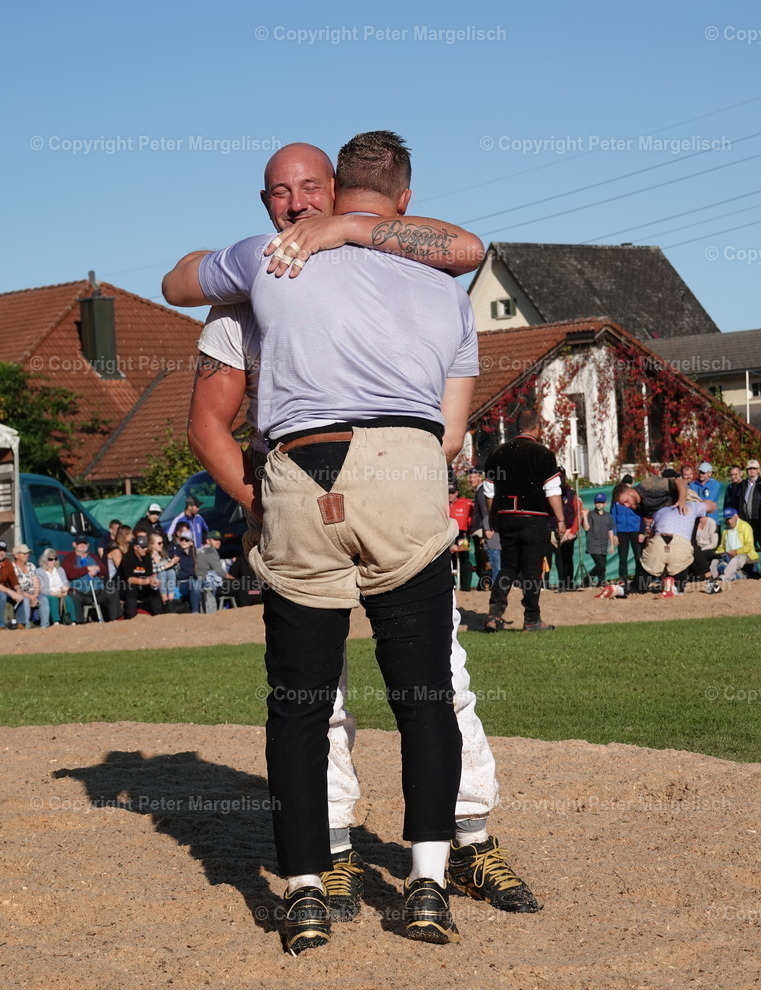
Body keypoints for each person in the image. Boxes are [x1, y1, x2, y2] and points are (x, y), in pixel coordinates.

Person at [177, 142, 538, 944]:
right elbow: (209, 420)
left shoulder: (268, 263)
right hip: (386, 476)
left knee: (322, 693)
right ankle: (402, 866)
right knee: (410, 687)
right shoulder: (423, 282)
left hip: (311, 472)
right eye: (281, 192)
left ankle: (335, 873)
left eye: (311, 190)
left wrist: (343, 235)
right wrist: (256, 495)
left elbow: (176, 277)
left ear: (338, 192)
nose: (296, 205)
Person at [483, 409, 566, 633]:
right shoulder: (543, 453)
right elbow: (552, 490)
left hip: (507, 517)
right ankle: (532, 619)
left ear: (518, 427)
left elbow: (489, 490)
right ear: (537, 427)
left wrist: (493, 516)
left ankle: (494, 613)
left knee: (508, 568)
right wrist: (560, 520)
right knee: (532, 571)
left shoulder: (499, 453)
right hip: (534, 518)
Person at [637, 499, 716, 594]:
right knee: (687, 548)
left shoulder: (663, 507)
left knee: (686, 547)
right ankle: (709, 580)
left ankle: (669, 581)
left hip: (680, 514)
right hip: (682, 515)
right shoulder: (690, 504)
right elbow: (712, 506)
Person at [61, 535, 121, 623]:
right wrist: (87, 569)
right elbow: (70, 573)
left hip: (98, 590)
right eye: (79, 543)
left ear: (88, 545)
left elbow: (104, 570)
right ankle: (79, 622)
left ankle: (115, 620)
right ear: (74, 544)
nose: (82, 545)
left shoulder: (94, 557)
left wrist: (97, 570)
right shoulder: (69, 558)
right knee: (73, 596)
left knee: (112, 591)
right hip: (80, 591)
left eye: (84, 543)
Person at [548, 467, 583, 591]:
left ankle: (568, 583)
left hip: (568, 532)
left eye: (561, 476)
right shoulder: (549, 493)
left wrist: (572, 531)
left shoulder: (572, 494)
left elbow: (578, 513)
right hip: (552, 530)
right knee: (556, 559)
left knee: (568, 558)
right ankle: (559, 584)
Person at [195, 530, 243, 611]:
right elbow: (220, 572)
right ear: (208, 540)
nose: (218, 542)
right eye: (215, 539)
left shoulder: (200, 551)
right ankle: (240, 611)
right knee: (241, 584)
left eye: (219, 540)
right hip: (208, 585)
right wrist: (234, 579)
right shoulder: (211, 551)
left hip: (199, 583)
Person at [467, 466, 499, 589]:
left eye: (473, 477)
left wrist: (487, 530)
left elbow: (486, 511)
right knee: (484, 559)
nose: (470, 480)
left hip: (483, 530)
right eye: (469, 477)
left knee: (486, 559)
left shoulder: (482, 491)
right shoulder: (480, 491)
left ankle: (487, 585)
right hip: (482, 529)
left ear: (480, 477)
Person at [117, 536, 163, 618]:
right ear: (135, 547)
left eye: (146, 547)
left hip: (141, 586)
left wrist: (153, 581)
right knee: (132, 588)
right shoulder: (128, 558)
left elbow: (149, 574)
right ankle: (132, 617)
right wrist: (147, 581)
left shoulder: (147, 557)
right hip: (123, 587)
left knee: (154, 589)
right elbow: (130, 579)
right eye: (143, 547)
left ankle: (159, 615)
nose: (145, 549)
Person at [710, 507, 759, 583]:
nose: (729, 521)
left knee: (735, 560)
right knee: (714, 560)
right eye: (726, 519)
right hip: (728, 554)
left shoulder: (745, 526)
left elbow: (749, 545)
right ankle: (711, 577)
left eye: (730, 518)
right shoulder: (725, 529)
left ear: (736, 516)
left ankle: (724, 578)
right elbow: (722, 546)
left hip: (744, 554)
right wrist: (718, 553)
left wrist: (736, 551)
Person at [610, 475, 643, 585]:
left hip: (635, 529)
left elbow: (642, 514)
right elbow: (613, 516)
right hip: (621, 531)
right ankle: (623, 579)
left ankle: (639, 579)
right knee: (622, 557)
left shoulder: (636, 497)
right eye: (626, 483)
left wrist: (642, 532)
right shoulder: (617, 499)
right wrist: (614, 533)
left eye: (629, 483)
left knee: (638, 556)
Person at [582, 493, 616, 588]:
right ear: (594, 503)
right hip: (593, 544)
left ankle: (601, 583)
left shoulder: (608, 516)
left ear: (605, 503)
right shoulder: (590, 514)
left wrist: (612, 544)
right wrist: (584, 516)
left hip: (603, 544)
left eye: (601, 502)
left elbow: (610, 530)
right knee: (600, 564)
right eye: (597, 502)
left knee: (603, 566)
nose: (599, 504)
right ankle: (587, 578)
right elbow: (586, 528)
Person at [35, 550, 77, 626]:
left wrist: (65, 589)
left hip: (60, 591)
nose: (53, 561)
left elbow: (65, 582)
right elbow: (41, 588)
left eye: (55, 559)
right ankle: (56, 621)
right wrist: (53, 593)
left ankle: (72, 620)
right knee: (53, 600)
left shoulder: (60, 570)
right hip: (48, 593)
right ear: (45, 560)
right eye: (50, 559)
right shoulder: (39, 571)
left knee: (68, 598)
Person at [167, 525, 202, 612]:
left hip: (194, 581)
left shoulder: (194, 554)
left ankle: (211, 612)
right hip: (181, 583)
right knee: (195, 584)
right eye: (181, 539)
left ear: (191, 542)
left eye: (186, 540)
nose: (183, 542)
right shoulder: (175, 552)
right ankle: (195, 612)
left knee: (210, 583)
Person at [448, 483, 474, 592]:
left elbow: (473, 516)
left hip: (462, 534)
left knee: (464, 558)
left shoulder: (466, 503)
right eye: (448, 493)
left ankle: (465, 588)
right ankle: (450, 586)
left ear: (457, 493)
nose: (450, 495)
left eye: (452, 493)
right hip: (448, 535)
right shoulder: (441, 504)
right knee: (447, 560)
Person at [739, 459, 761, 548]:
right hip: (746, 521)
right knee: (748, 547)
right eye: (749, 469)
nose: (752, 471)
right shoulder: (743, 484)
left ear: (758, 470)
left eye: (754, 468)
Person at [148, 532, 180, 609]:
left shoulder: (163, 555)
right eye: (159, 543)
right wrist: (168, 565)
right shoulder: (148, 557)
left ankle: (171, 599)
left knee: (171, 571)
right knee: (162, 573)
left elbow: (176, 570)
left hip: (167, 583)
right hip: (154, 582)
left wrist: (175, 563)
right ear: (151, 544)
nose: (162, 545)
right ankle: (165, 600)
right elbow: (153, 569)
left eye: (162, 543)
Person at [1, 540, 27, 628]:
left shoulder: (7, 563)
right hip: (2, 591)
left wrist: (18, 591)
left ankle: (21, 623)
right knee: (2, 596)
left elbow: (14, 580)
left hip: (4, 590)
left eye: (4, 551)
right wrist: (11, 592)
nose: (1, 553)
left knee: (20, 596)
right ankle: (1, 625)